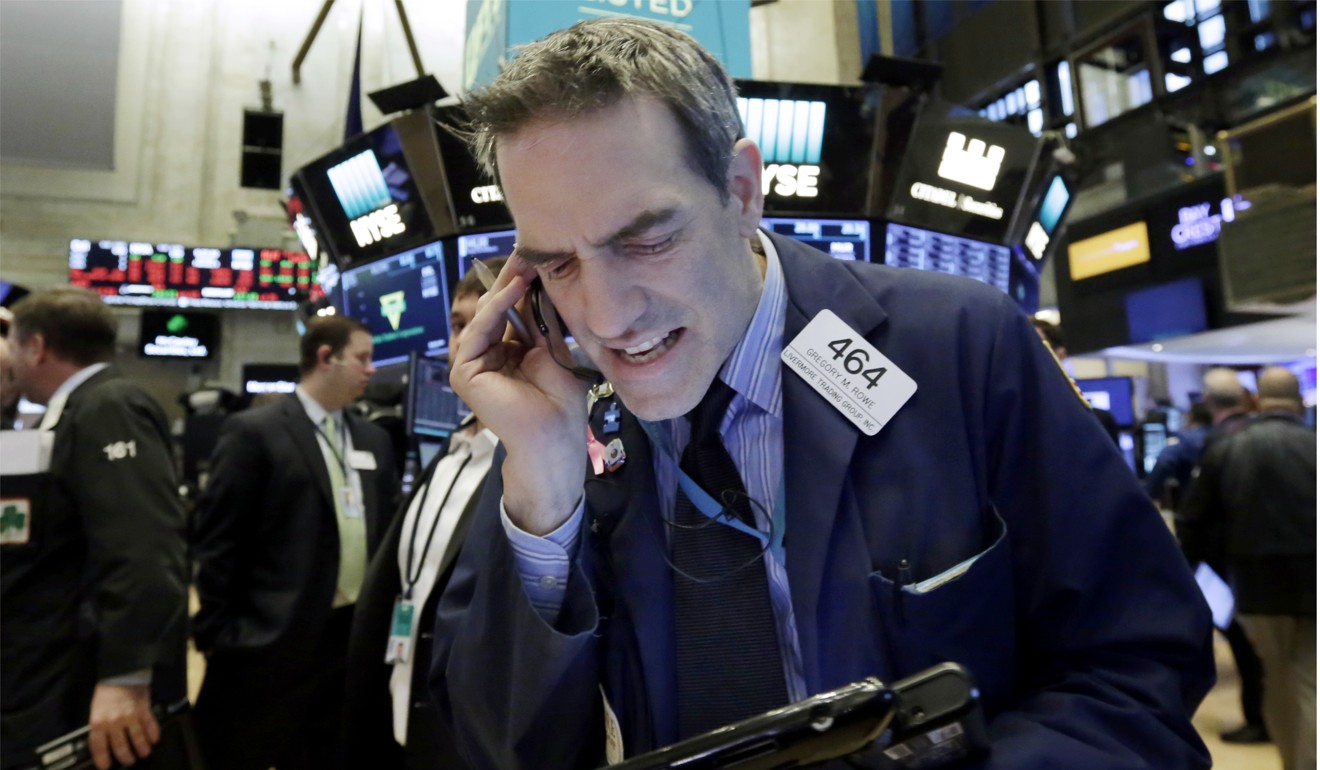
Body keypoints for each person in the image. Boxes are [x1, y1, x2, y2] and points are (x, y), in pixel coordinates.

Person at [433, 18, 1214, 769]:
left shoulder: (956, 348)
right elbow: (499, 745)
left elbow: (1135, 674)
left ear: (741, 189)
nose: (606, 318)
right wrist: (543, 484)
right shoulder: (567, 417)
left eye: (646, 240)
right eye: (558, 266)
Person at [191, 314, 400, 770]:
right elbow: (219, 540)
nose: (371, 369)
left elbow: (386, 537)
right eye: (362, 358)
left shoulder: (375, 440)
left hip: (350, 637)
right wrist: (219, 635)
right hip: (274, 635)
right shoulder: (256, 432)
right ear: (326, 357)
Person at [1, 287, 189, 770]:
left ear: (37, 347)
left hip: (87, 676)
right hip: (47, 669)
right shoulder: (72, 409)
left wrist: (125, 676)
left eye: (15, 346)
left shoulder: (108, 405)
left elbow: (145, 550)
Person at [343, 259, 505, 769]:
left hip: (475, 738)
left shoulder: (551, 462)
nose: (467, 340)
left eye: (489, 320)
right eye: (459, 325)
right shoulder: (452, 450)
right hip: (400, 709)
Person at [1178, 366, 1315, 770]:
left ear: (1258, 400)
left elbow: (1193, 521)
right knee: (1308, 673)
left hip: (1255, 586)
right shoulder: (1314, 444)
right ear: (1300, 402)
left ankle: (1298, 760)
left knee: (1277, 674)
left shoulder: (1227, 450)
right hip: (1315, 578)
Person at [1189, 366, 1271, 745]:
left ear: (1207, 403)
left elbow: (1197, 515)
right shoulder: (1276, 435)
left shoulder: (1217, 445)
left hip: (1232, 567)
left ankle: (1260, 719)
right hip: (1280, 561)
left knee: (1249, 651)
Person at [1143, 401, 1212, 507]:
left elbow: (1164, 461)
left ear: (1190, 417)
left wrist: (1149, 496)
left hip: (1193, 507)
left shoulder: (1185, 440)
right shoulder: (1223, 436)